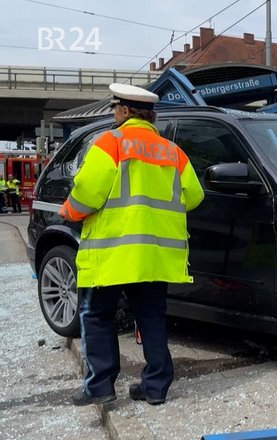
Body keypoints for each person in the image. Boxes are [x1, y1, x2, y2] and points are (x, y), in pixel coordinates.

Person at [60, 83, 204, 406]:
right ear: (150, 116)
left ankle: (100, 387)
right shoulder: (173, 153)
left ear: (124, 112)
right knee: (152, 317)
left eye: (115, 109)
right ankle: (154, 387)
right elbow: (194, 196)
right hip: (154, 256)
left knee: (97, 315)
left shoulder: (110, 144)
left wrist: (69, 210)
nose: (114, 114)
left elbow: (86, 193)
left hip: (111, 254)